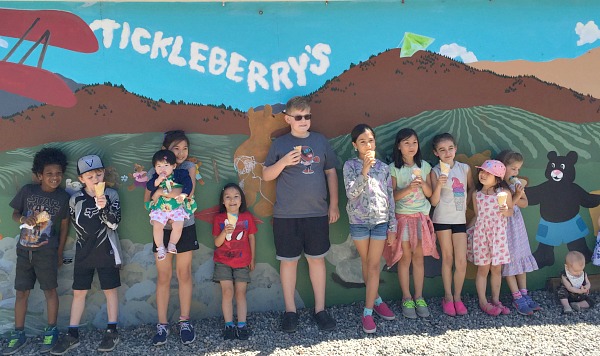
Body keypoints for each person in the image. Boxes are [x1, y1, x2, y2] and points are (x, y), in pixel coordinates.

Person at [263, 96, 340, 333]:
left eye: (307, 116)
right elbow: (267, 175)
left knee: (317, 260)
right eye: (298, 117)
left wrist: (334, 204)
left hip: (316, 213)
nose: (304, 120)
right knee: (289, 262)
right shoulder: (280, 144)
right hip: (286, 215)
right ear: (288, 119)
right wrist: (285, 161)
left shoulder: (320, 140)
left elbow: (330, 173)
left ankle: (320, 310)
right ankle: (290, 312)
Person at [50, 155, 122, 354]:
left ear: (104, 173)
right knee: (79, 292)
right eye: (90, 176)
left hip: (106, 249)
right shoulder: (76, 199)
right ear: (81, 179)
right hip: (84, 251)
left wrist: (103, 206)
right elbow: (75, 224)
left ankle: (112, 330)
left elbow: (114, 223)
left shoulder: (112, 194)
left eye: (99, 174)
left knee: (110, 290)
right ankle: (72, 334)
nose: (96, 179)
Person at [4, 148, 70, 355]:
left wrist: (59, 252)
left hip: (47, 252)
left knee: (50, 290)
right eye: (49, 174)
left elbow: (65, 226)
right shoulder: (28, 191)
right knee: (21, 292)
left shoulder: (62, 197)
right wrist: (24, 219)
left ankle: (52, 330)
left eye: (58, 173)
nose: (54, 177)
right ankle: (18, 333)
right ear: (39, 175)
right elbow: (15, 214)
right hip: (24, 250)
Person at [144, 130, 199, 346]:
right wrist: (158, 195)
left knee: (184, 273)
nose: (181, 152)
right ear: (166, 150)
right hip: (161, 228)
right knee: (163, 276)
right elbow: (147, 199)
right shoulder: (154, 170)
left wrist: (161, 195)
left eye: (185, 148)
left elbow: (189, 194)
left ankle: (185, 321)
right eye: (176, 148)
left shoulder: (188, 168)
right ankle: (162, 324)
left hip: (184, 225)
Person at [343, 124, 396, 333]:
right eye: (363, 141)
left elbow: (390, 198)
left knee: (374, 266)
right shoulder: (350, 166)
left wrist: (392, 226)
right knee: (367, 263)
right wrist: (364, 170)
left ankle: (368, 311)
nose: (368, 145)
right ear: (355, 145)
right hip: (359, 222)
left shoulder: (383, 168)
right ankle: (377, 300)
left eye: (371, 140)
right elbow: (351, 194)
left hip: (380, 222)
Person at [385, 128, 438, 319]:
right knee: (405, 257)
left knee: (418, 258)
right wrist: (408, 188)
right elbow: (391, 197)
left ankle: (419, 296)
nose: (411, 147)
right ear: (399, 146)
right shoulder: (393, 168)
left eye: (414, 142)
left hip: (421, 217)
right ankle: (406, 297)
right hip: (403, 218)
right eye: (406, 143)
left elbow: (431, 194)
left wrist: (422, 184)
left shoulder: (425, 167)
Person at [429, 133, 474, 316]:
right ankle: (447, 297)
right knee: (447, 258)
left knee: (461, 260)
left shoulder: (464, 169)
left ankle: (457, 297)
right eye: (442, 150)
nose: (447, 153)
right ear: (436, 153)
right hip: (441, 219)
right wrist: (439, 184)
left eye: (450, 148)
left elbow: (471, 188)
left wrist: (464, 204)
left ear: (455, 149)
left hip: (459, 220)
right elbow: (433, 201)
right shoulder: (435, 171)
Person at [467, 160, 513, 317]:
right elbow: (477, 215)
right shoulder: (476, 195)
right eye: (482, 171)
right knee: (483, 269)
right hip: (481, 235)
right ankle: (483, 301)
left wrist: (505, 209)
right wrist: (467, 231)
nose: (483, 174)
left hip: (498, 236)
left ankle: (496, 299)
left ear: (498, 178)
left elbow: (510, 213)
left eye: (488, 173)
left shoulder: (504, 193)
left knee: (496, 269)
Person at [497, 150, 540, 315]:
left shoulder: (515, 184)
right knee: (510, 260)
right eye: (513, 169)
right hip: (503, 225)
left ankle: (524, 294)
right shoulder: (498, 186)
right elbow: (506, 207)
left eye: (518, 169)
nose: (516, 173)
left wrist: (519, 193)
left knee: (521, 258)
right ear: (503, 167)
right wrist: (516, 197)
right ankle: (517, 298)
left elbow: (525, 203)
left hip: (517, 225)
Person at [212, 183, 257, 340]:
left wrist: (252, 258)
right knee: (227, 292)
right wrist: (225, 231)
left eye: (236, 196)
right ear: (223, 201)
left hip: (243, 260)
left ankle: (242, 325)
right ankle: (229, 324)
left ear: (241, 200)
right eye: (228, 197)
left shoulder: (247, 217)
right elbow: (217, 243)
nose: (232, 200)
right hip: (223, 261)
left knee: (240, 292)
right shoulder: (219, 219)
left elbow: (252, 237)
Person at [146, 149, 196, 261]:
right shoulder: (155, 177)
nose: (162, 169)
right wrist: (157, 181)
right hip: (160, 208)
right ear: (155, 168)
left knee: (178, 225)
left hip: (176, 207)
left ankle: (172, 244)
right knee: (157, 226)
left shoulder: (180, 174)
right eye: (158, 166)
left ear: (174, 166)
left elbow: (188, 183)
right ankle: (160, 248)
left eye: (166, 165)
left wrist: (184, 194)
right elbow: (150, 187)